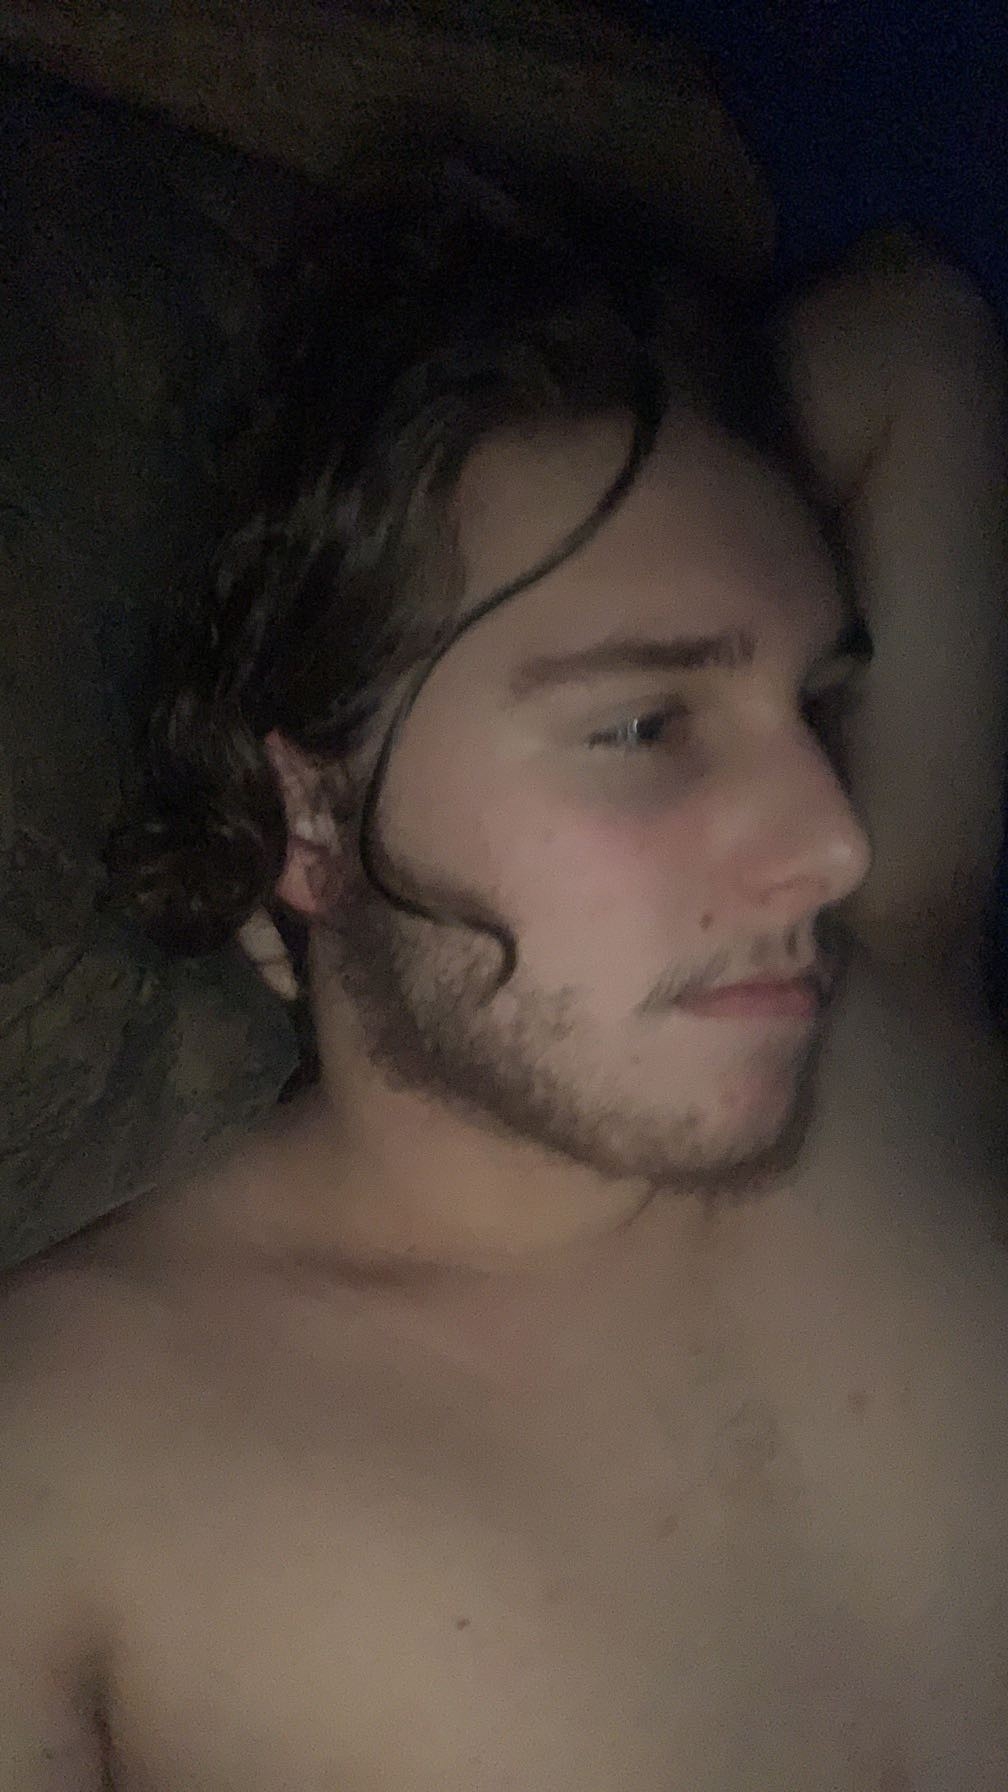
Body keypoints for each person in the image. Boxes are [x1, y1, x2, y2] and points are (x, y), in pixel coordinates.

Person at [2, 160, 1007, 1790]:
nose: (834, 846)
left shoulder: (885, 1010)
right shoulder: (65, 1467)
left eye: (814, 707)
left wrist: (641, 435)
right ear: (312, 813)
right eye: (646, 725)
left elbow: (917, 337)